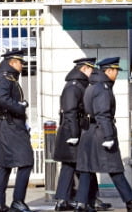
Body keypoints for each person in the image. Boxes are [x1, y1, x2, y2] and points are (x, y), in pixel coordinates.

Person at [75, 57, 132, 212]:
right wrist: (108, 137)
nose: (116, 74)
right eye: (115, 71)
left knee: (87, 169)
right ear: (108, 71)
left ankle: (81, 203)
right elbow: (103, 114)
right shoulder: (103, 88)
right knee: (115, 168)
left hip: (89, 132)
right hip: (101, 133)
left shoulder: (92, 85)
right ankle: (130, 201)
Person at [53, 58, 111, 211]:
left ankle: (63, 200)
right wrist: (74, 134)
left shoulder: (80, 84)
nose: (93, 73)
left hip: (76, 129)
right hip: (73, 130)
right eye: (91, 70)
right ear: (85, 69)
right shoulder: (74, 86)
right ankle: (88, 199)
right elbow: (70, 112)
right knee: (84, 164)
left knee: (71, 165)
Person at [0, 50, 33, 212]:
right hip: (11, 125)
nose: (22, 65)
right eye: (20, 62)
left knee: (5, 165)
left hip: (9, 124)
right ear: (12, 62)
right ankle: (18, 201)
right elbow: (1, 99)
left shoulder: (9, 77)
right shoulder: (5, 78)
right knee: (26, 161)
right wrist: (20, 108)